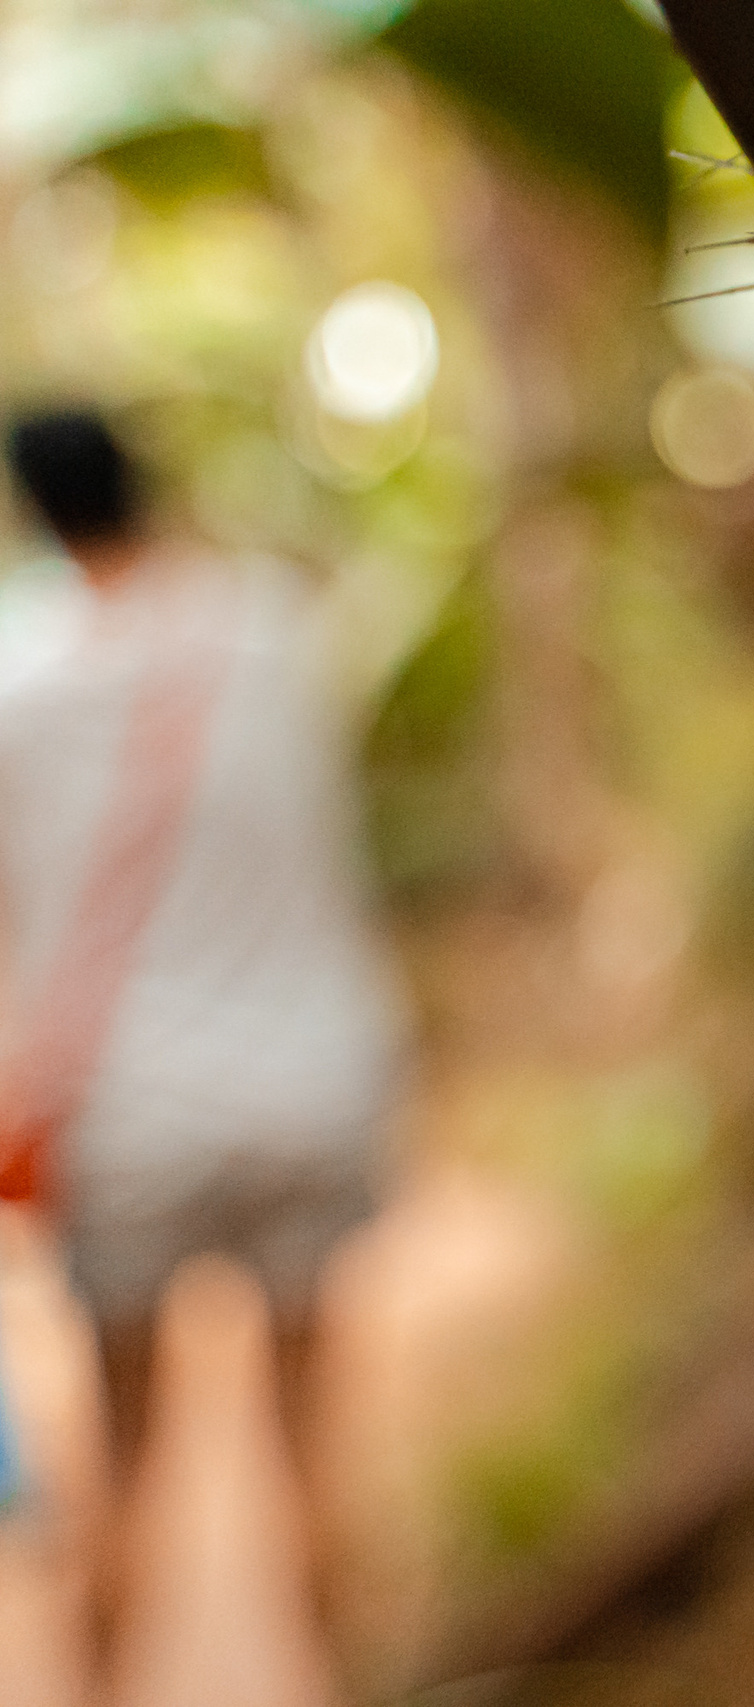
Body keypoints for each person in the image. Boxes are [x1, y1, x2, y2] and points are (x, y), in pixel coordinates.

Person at [0, 406, 409, 1668]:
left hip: (128, 1121)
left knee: (126, 1459)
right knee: (314, 1458)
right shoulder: (273, 628)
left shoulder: (20, 674)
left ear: (34, 509)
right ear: (144, 479)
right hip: (314, 1089)